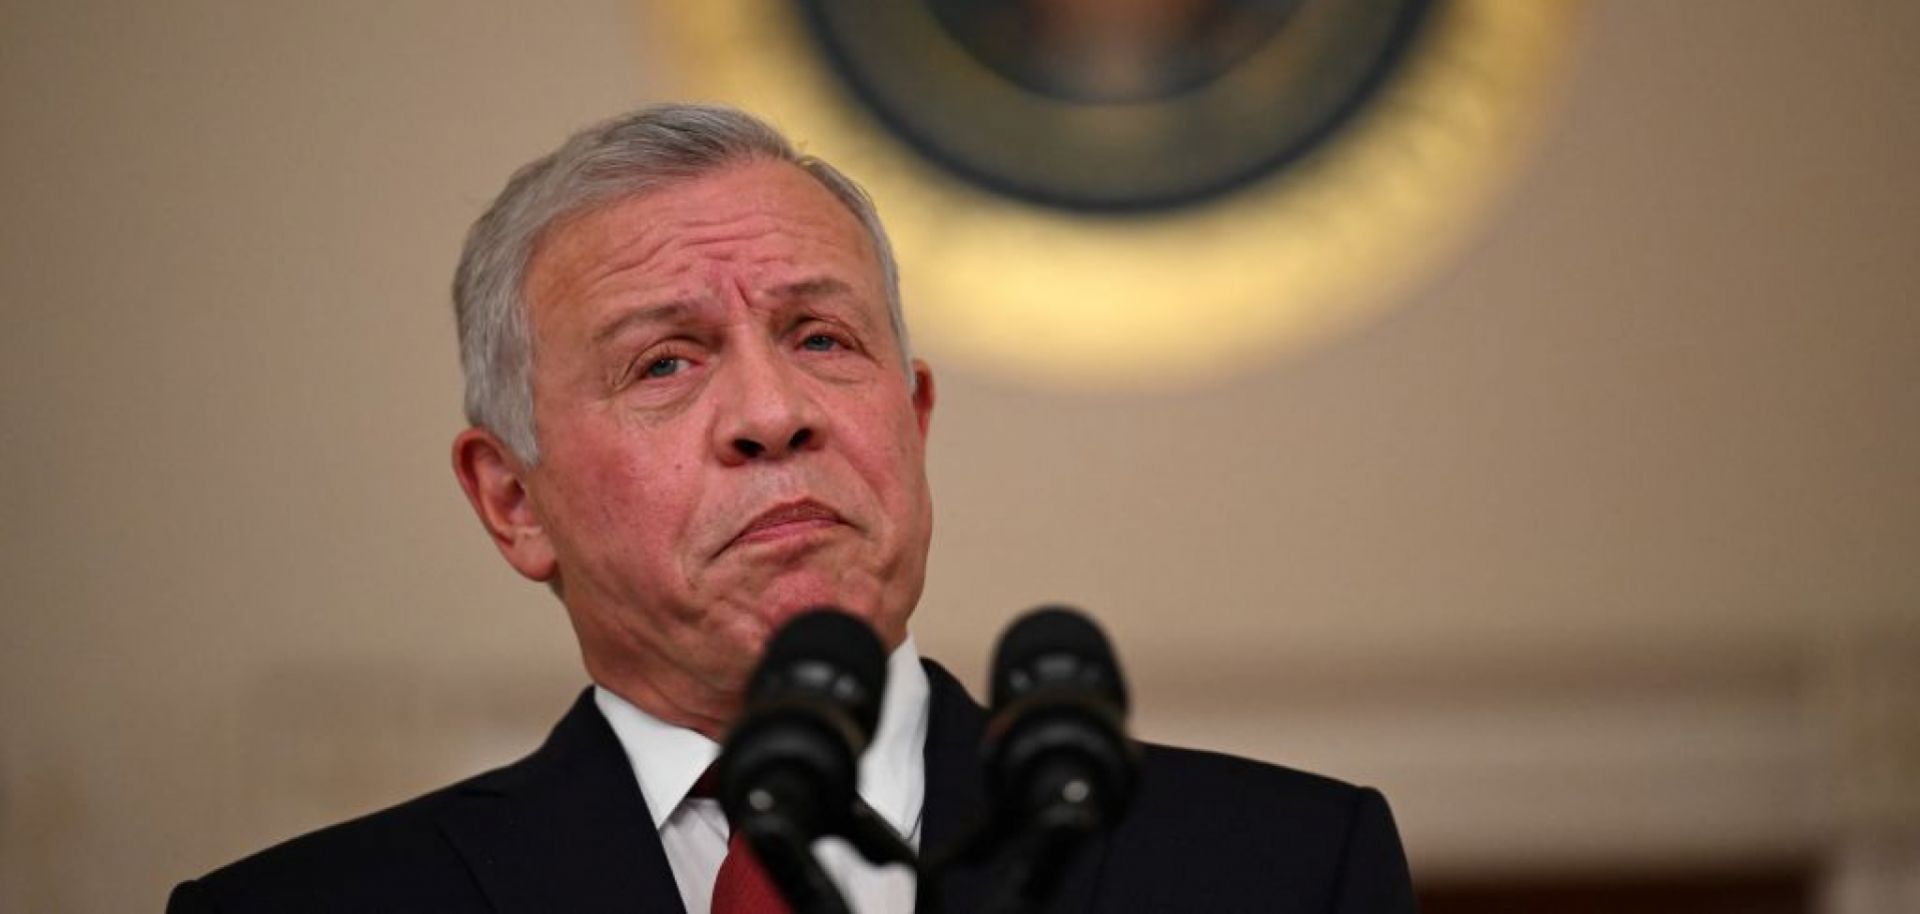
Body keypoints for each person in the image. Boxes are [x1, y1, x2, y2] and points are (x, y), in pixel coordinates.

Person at [167, 103, 1419, 913]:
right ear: (513, 501)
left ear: (913, 422)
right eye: (665, 361)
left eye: (822, 338)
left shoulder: (1285, 871)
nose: (774, 412)